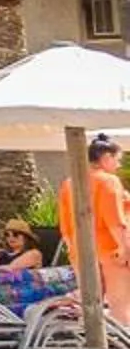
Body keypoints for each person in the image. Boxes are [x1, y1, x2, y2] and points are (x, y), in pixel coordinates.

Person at [60, 135, 130, 322]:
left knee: (90, 305)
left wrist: (72, 250)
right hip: (111, 250)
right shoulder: (108, 181)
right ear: (106, 157)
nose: (118, 165)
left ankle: (94, 345)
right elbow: (115, 219)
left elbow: (65, 226)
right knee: (120, 306)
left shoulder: (69, 183)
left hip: (81, 250)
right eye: (117, 160)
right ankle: (123, 347)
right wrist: (125, 249)